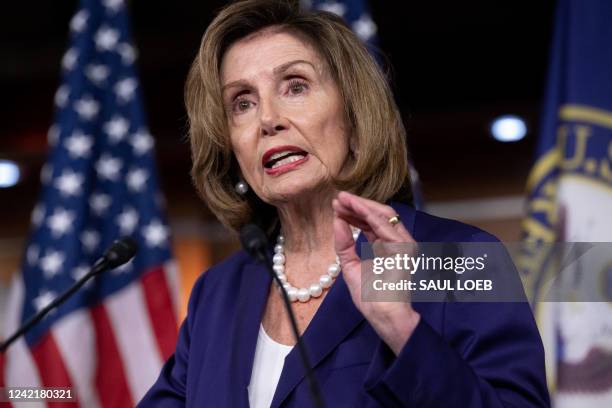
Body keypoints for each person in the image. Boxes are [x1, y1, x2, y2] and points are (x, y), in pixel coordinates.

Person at [139, 0, 550, 406]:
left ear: (354, 117)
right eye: (242, 103)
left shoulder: (463, 260)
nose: (268, 119)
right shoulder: (218, 292)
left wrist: (402, 330)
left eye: (295, 86)